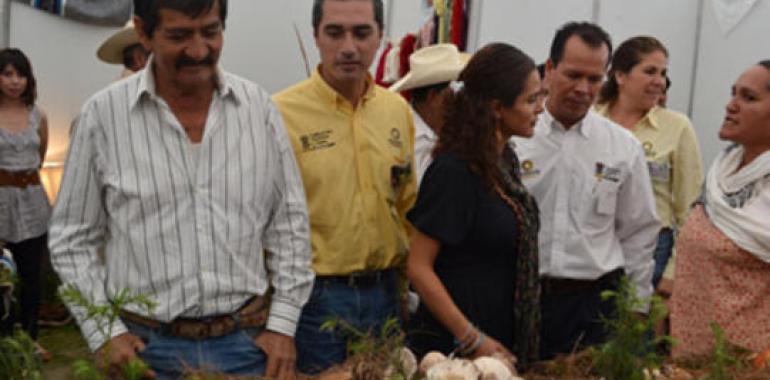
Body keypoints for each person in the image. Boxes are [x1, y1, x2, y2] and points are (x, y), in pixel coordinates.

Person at [49, 1, 314, 379]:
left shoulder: (258, 110)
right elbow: (71, 238)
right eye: (178, 36)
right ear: (143, 33)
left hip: (247, 347)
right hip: (145, 352)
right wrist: (104, 332)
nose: (198, 50)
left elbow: (289, 224)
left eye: (210, 31)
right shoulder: (103, 118)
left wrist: (283, 326)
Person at [273, 0, 417, 374]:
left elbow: (407, 205)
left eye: (362, 33)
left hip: (385, 294)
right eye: (335, 33)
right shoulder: (280, 114)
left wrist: (403, 288)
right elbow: (264, 219)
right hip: (314, 301)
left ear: (380, 37)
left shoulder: (396, 111)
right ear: (316, 36)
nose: (349, 47)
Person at [511, 22, 660, 360]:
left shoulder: (623, 148)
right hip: (520, 298)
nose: (583, 88)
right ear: (549, 70)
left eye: (594, 79)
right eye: (573, 75)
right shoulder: (514, 139)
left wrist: (635, 308)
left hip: (592, 307)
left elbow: (638, 233)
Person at [406, 42, 543, 368]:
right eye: (531, 99)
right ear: (497, 107)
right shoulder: (455, 170)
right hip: (453, 352)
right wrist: (472, 337)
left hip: (494, 345)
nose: (540, 109)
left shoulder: (504, 163)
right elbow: (418, 266)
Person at [670, 60, 770, 359]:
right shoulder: (722, 171)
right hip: (690, 354)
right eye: (733, 94)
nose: (731, 105)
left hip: (747, 364)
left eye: (749, 98)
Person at [595, 36, 703, 289]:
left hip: (652, 248)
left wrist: (673, 273)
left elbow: (690, 209)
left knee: (634, 325)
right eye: (650, 71)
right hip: (594, 239)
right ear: (620, 76)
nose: (659, 81)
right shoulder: (592, 119)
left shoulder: (677, 127)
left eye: (663, 73)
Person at [0, 48, 51, 360]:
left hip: (32, 201)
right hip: (0, 201)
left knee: (32, 275)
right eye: (7, 74)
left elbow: (40, 156)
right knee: (1, 277)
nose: (14, 81)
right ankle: (5, 340)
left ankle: (30, 337)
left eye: (20, 74)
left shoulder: (38, 114)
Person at [389, 43, 468, 185]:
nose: (458, 97)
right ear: (434, 97)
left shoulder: (442, 132)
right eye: (453, 89)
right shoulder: (403, 136)